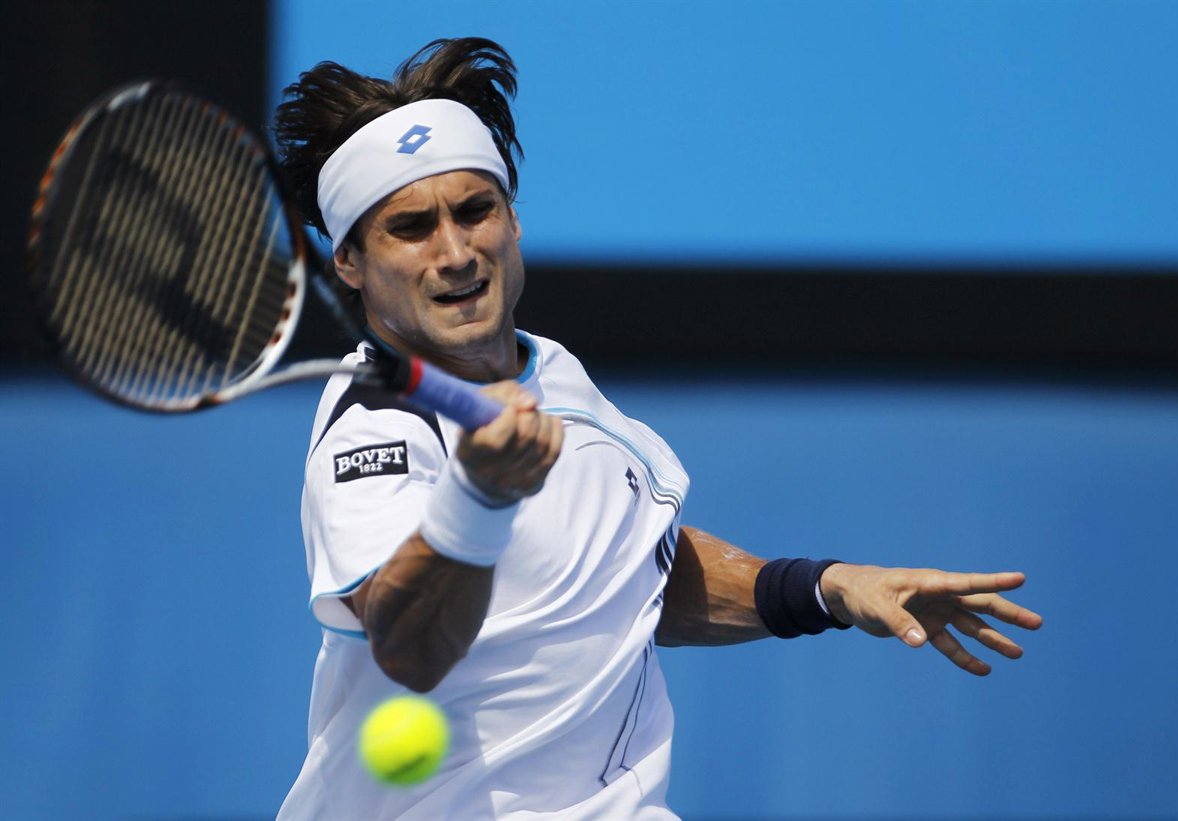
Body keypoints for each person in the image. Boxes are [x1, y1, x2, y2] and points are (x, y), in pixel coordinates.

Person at [273, 37, 1043, 819]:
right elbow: (409, 648)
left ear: (513, 220)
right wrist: (478, 496)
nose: (455, 251)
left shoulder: (554, 372)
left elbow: (630, 570)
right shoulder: (373, 428)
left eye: (476, 211)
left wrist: (825, 588)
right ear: (350, 262)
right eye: (411, 227)